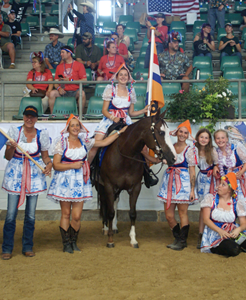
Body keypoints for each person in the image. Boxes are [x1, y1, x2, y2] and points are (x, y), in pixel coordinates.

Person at [47, 114, 127, 253]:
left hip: (79, 182)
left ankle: (73, 241)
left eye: (77, 125)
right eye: (72, 125)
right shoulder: (61, 142)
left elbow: (104, 142)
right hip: (64, 181)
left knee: (77, 216)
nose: (75, 128)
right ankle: (66, 243)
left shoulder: (84, 141)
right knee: (66, 213)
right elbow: (56, 165)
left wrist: (119, 132)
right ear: (68, 128)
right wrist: (73, 166)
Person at [1, 106, 52, 260]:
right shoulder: (14, 132)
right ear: (23, 117)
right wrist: (11, 147)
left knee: (30, 214)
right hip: (15, 174)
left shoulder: (41, 134)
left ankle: (27, 246)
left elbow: (45, 156)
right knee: (10, 214)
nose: (29, 119)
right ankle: (7, 248)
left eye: (33, 117)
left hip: (34, 175)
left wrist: (49, 165)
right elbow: (8, 157)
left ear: (36, 119)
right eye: (27, 116)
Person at [88, 63, 149, 164]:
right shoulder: (110, 89)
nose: (123, 77)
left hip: (126, 120)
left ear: (129, 77)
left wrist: (143, 110)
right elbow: (104, 110)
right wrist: (113, 118)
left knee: (143, 147)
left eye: (125, 75)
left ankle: (146, 173)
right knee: (95, 146)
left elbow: (131, 113)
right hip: (110, 120)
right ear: (117, 76)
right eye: (121, 74)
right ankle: (87, 170)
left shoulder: (131, 91)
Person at [157, 120, 197, 251]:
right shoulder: (170, 146)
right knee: (169, 215)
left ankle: (182, 241)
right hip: (169, 181)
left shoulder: (190, 150)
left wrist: (192, 190)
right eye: (181, 131)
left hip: (183, 183)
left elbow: (192, 171)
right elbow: (159, 160)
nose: (183, 135)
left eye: (186, 133)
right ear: (177, 132)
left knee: (182, 213)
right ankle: (178, 237)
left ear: (188, 135)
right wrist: (145, 154)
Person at [213, 129, 246, 235]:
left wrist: (240, 172)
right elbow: (216, 164)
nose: (220, 140)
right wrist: (215, 167)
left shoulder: (236, 148)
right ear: (215, 140)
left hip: (240, 180)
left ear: (227, 139)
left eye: (223, 137)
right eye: (218, 138)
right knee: (235, 207)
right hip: (227, 182)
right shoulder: (215, 152)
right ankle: (236, 232)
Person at [194, 128, 217, 249]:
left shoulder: (212, 151)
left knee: (212, 207)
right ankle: (201, 234)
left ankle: (213, 233)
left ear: (209, 140)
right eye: (201, 137)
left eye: (206, 138)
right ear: (198, 138)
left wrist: (215, 167)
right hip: (201, 179)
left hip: (212, 179)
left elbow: (218, 163)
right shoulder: (194, 149)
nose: (203, 139)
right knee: (203, 208)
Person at [49, 46, 87, 114]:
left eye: (63, 52)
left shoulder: (79, 65)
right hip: (63, 91)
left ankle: (80, 115)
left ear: (69, 53)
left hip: (75, 91)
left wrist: (71, 80)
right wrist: (59, 88)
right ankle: (53, 115)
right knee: (52, 93)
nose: (61, 54)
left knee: (82, 93)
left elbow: (84, 81)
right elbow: (56, 82)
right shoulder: (59, 66)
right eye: (61, 53)